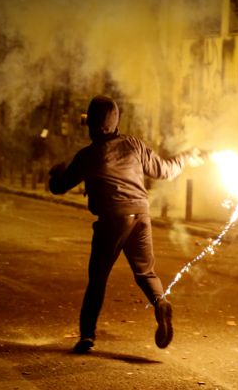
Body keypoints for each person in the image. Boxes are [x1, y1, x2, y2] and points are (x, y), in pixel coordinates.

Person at [48, 95, 203, 353]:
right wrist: (185, 158)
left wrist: (56, 173)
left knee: (97, 279)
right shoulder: (133, 144)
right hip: (141, 215)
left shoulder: (87, 155)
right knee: (145, 272)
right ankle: (160, 303)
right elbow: (164, 170)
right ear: (116, 122)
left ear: (91, 124)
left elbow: (59, 187)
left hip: (113, 218)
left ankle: (87, 335)